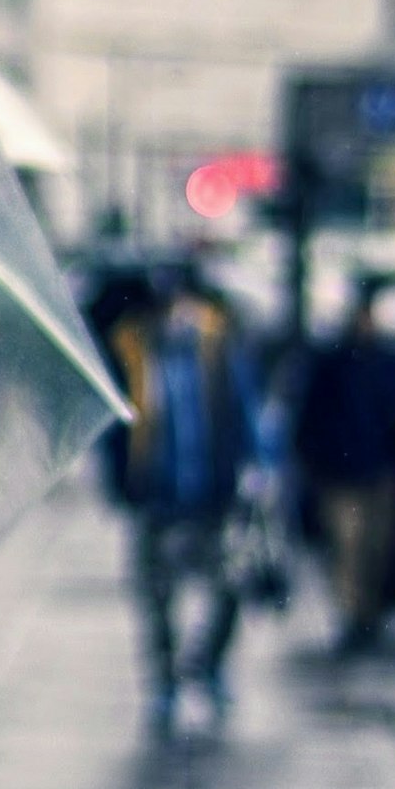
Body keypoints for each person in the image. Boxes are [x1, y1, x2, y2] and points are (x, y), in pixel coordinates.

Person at [102, 265, 264, 741]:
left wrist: (255, 467)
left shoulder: (216, 346)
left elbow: (244, 406)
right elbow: (117, 423)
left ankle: (207, 664)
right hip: (157, 495)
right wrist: (122, 481)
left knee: (229, 586)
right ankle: (165, 682)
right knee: (155, 597)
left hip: (213, 493)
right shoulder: (132, 352)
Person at [293, 278, 395, 653]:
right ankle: (355, 616)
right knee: (349, 545)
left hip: (381, 471)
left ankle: (367, 613)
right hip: (342, 474)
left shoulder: (388, 364)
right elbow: (310, 417)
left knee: (377, 546)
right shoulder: (334, 365)